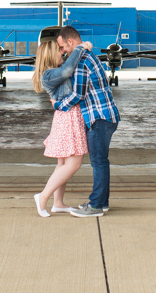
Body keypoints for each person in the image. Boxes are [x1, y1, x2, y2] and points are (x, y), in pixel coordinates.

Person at [53, 25, 119, 218]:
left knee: (98, 162)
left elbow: (77, 95)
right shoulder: (88, 56)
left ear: (71, 42)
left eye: (62, 47)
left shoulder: (81, 60)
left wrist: (58, 105)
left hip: (99, 117)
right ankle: (102, 202)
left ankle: (96, 205)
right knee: (100, 161)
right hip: (103, 116)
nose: (62, 51)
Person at [31, 38, 92, 217]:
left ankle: (58, 203)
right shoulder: (49, 75)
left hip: (69, 116)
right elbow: (67, 70)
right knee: (73, 163)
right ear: (50, 54)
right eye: (59, 51)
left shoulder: (53, 71)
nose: (63, 53)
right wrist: (80, 47)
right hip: (68, 118)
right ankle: (42, 197)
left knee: (63, 164)